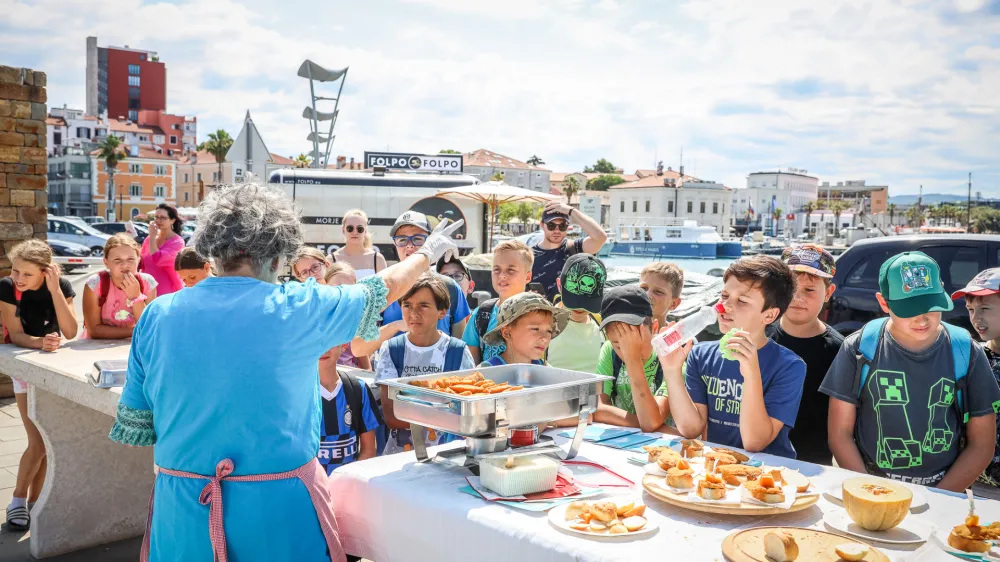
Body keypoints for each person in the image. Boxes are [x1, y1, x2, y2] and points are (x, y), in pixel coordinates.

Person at [108, 181, 463, 561]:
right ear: (279, 255)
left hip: (181, 514)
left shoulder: (157, 314)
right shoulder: (299, 305)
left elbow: (139, 423)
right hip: (277, 514)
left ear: (211, 251)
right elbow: (384, 286)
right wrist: (425, 253)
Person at [822, 252, 1000, 491]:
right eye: (908, 309)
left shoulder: (966, 351)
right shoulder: (860, 347)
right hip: (872, 484)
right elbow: (839, 434)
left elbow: (982, 444)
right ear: (884, 303)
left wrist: (940, 497)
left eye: (931, 306)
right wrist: (868, 490)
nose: (922, 319)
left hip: (944, 490)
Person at [662, 256, 806, 458]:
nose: (724, 306)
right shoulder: (700, 355)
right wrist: (671, 370)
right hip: (718, 464)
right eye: (724, 296)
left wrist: (751, 372)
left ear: (769, 315)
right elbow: (690, 429)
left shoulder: (789, 366)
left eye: (742, 301)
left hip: (768, 469)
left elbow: (754, 442)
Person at [0, 239, 78, 531]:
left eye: (27, 274)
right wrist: (40, 342)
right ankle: (17, 500)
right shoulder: (7, 288)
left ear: (46, 272)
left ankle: (35, 503)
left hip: (54, 369)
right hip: (25, 368)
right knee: (38, 440)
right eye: (15, 270)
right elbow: (15, 334)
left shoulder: (61, 286)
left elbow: (71, 331)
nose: (18, 278)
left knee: (47, 441)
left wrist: (56, 290)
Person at [376, 274, 475, 454]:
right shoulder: (392, 349)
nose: (414, 313)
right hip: (400, 456)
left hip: (449, 454)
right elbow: (391, 416)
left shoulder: (457, 351)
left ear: (442, 312)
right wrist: (442, 413)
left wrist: (414, 411)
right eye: (407, 305)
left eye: (423, 305)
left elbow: (468, 411)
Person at [762, 245, 843, 465]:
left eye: (809, 290)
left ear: (828, 293)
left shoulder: (840, 351)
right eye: (792, 288)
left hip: (813, 465)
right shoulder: (759, 336)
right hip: (758, 458)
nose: (798, 297)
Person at [374, 210, 471, 342]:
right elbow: (361, 347)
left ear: (431, 241)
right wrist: (395, 327)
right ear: (395, 245)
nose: (409, 246)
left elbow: (459, 345)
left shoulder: (450, 288)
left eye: (417, 239)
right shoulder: (383, 287)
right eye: (402, 240)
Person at [593, 286, 671, 433]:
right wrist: (655, 427)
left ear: (654, 328)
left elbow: (650, 422)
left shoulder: (670, 359)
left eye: (636, 342)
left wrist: (632, 360)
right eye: (619, 345)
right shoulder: (609, 350)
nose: (628, 351)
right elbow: (597, 408)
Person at [954, 268, 1000, 498]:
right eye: (971, 310)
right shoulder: (971, 356)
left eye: (985, 309)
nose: (976, 318)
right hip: (974, 482)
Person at [463, 239, 534, 364]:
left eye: (510, 270)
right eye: (497, 269)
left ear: (528, 277)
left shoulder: (540, 314)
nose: (502, 275)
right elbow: (471, 366)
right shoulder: (481, 315)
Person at [317, 340, 383, 474]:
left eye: (331, 341)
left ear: (344, 345)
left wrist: (347, 480)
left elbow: (369, 449)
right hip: (311, 485)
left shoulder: (358, 389)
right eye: (317, 341)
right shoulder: (298, 394)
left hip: (348, 482)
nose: (324, 349)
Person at [82, 234, 158, 340]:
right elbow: (94, 330)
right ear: (106, 262)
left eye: (130, 259)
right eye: (117, 259)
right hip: (98, 347)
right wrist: (136, 331)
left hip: (133, 345)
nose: (125, 264)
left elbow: (150, 324)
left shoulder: (147, 282)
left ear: (138, 260)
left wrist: (136, 297)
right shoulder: (95, 283)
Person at [529, 200, 608, 301]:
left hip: (570, 311)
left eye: (562, 226)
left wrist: (572, 211)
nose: (557, 230)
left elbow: (601, 237)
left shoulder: (574, 248)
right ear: (542, 225)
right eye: (551, 225)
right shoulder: (529, 255)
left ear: (567, 226)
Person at [547, 254, 606, 373]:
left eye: (587, 301)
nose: (580, 307)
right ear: (559, 285)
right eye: (574, 299)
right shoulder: (543, 323)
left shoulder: (604, 325)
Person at [479, 292, 569, 367]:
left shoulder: (546, 370)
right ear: (507, 333)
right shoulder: (486, 372)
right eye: (535, 329)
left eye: (549, 331)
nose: (544, 338)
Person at [323, 263, 372, 370]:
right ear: (325, 286)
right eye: (337, 287)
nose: (343, 293)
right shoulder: (316, 319)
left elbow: (364, 364)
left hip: (348, 376)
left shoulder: (357, 319)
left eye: (349, 289)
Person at [140, 203, 185, 296]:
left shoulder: (178, 242)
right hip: (147, 290)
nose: (158, 220)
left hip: (168, 290)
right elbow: (141, 262)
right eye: (156, 217)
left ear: (172, 220)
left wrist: (152, 236)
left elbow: (158, 259)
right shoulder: (149, 239)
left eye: (163, 218)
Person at [331, 209, 386, 280]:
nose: (355, 232)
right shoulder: (331, 259)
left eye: (360, 229)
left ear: (365, 231)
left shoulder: (378, 259)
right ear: (343, 230)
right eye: (350, 228)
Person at [640, 262, 684, 329]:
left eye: (658, 292)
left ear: (674, 304)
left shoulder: (679, 335)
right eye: (643, 288)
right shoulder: (624, 331)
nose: (647, 294)